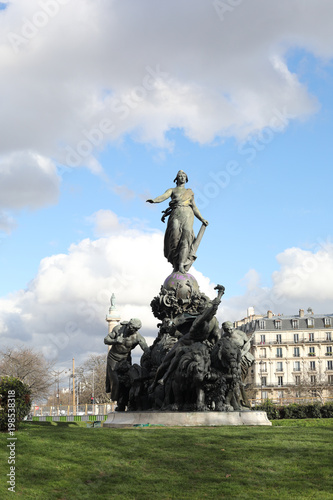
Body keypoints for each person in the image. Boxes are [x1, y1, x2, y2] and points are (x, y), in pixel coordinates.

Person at [147, 170, 208, 273]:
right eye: (180, 176)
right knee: (174, 235)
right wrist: (154, 200)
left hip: (188, 214)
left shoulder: (190, 193)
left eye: (184, 176)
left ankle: (180, 264)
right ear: (176, 178)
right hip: (176, 213)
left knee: (186, 237)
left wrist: (202, 219)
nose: (182, 177)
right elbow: (164, 196)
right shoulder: (172, 190)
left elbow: (194, 207)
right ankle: (175, 261)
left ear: (186, 179)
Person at [104, 319, 148, 408]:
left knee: (127, 381)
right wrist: (115, 340)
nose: (129, 329)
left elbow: (145, 348)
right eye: (129, 327)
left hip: (125, 359)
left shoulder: (137, 337)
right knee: (116, 381)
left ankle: (123, 403)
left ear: (136, 330)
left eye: (132, 329)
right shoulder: (118, 329)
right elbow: (106, 340)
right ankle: (116, 400)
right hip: (113, 358)